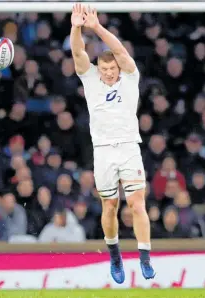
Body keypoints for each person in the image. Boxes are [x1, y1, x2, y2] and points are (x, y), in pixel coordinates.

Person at [70, 3, 156, 283]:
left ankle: (144, 257)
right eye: (104, 68)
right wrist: (76, 27)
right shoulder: (91, 78)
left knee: (137, 203)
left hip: (129, 147)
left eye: (112, 68)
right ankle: (115, 255)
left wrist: (96, 27)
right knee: (110, 207)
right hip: (104, 152)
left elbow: (119, 50)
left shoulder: (130, 78)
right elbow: (78, 53)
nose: (108, 72)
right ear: (99, 68)